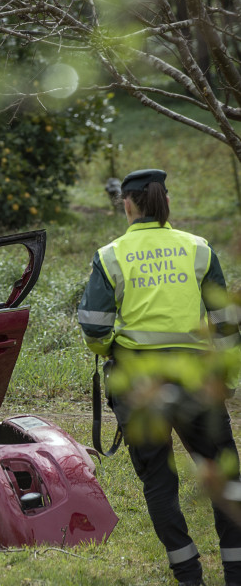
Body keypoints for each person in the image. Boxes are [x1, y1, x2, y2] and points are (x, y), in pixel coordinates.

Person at [78, 168, 241, 586]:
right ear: (166, 202)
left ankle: (188, 575)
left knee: (159, 481)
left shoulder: (111, 254)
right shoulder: (198, 249)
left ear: (127, 204)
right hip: (196, 381)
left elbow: (95, 327)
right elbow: (226, 322)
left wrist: (114, 349)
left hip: (138, 384)